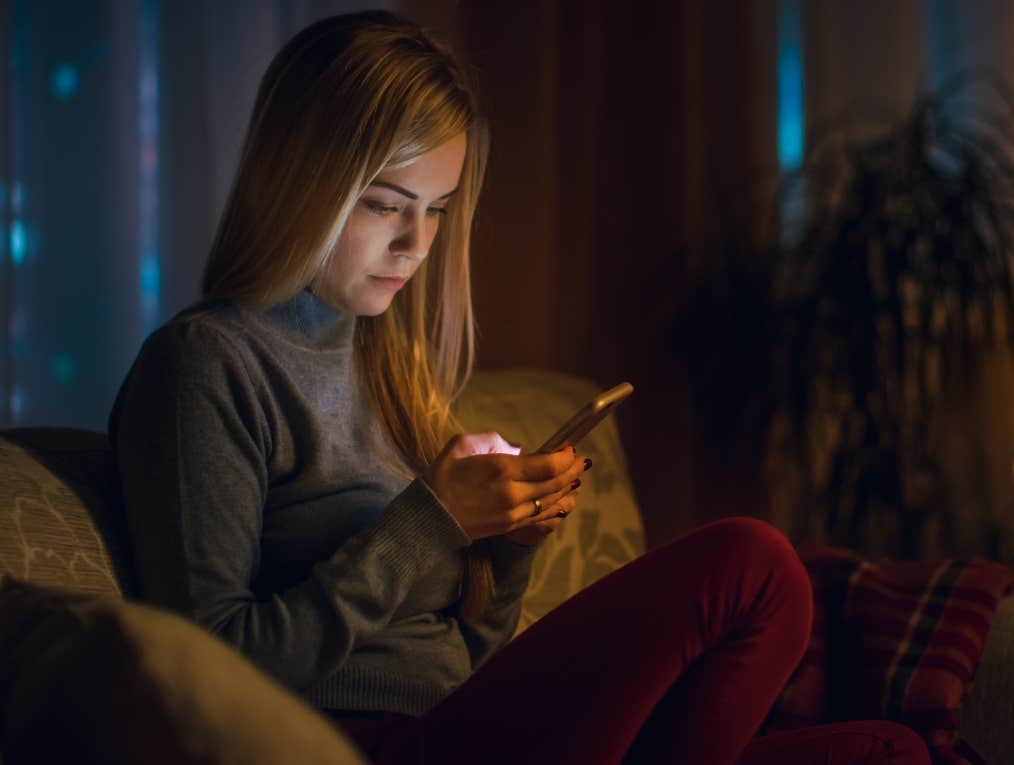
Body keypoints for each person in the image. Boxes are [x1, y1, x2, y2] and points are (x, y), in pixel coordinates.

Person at [107, 10, 927, 765]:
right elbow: (206, 667)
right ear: (300, 181)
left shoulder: (386, 363)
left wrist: (506, 549)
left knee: (893, 750)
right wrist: (431, 522)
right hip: (364, 743)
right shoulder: (205, 366)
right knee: (752, 564)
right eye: (386, 205)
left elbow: (471, 655)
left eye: (437, 209)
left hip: (469, 722)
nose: (415, 244)